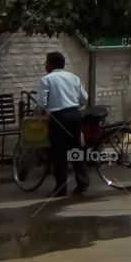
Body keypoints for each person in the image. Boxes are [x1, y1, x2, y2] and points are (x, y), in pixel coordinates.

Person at [38, 51, 91, 197]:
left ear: (51, 64)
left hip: (58, 118)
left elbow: (42, 103)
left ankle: (61, 188)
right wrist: (76, 107)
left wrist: (40, 113)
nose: (45, 66)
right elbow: (84, 98)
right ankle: (83, 183)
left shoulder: (46, 79)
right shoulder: (73, 77)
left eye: (46, 63)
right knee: (75, 149)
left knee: (59, 152)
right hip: (74, 115)